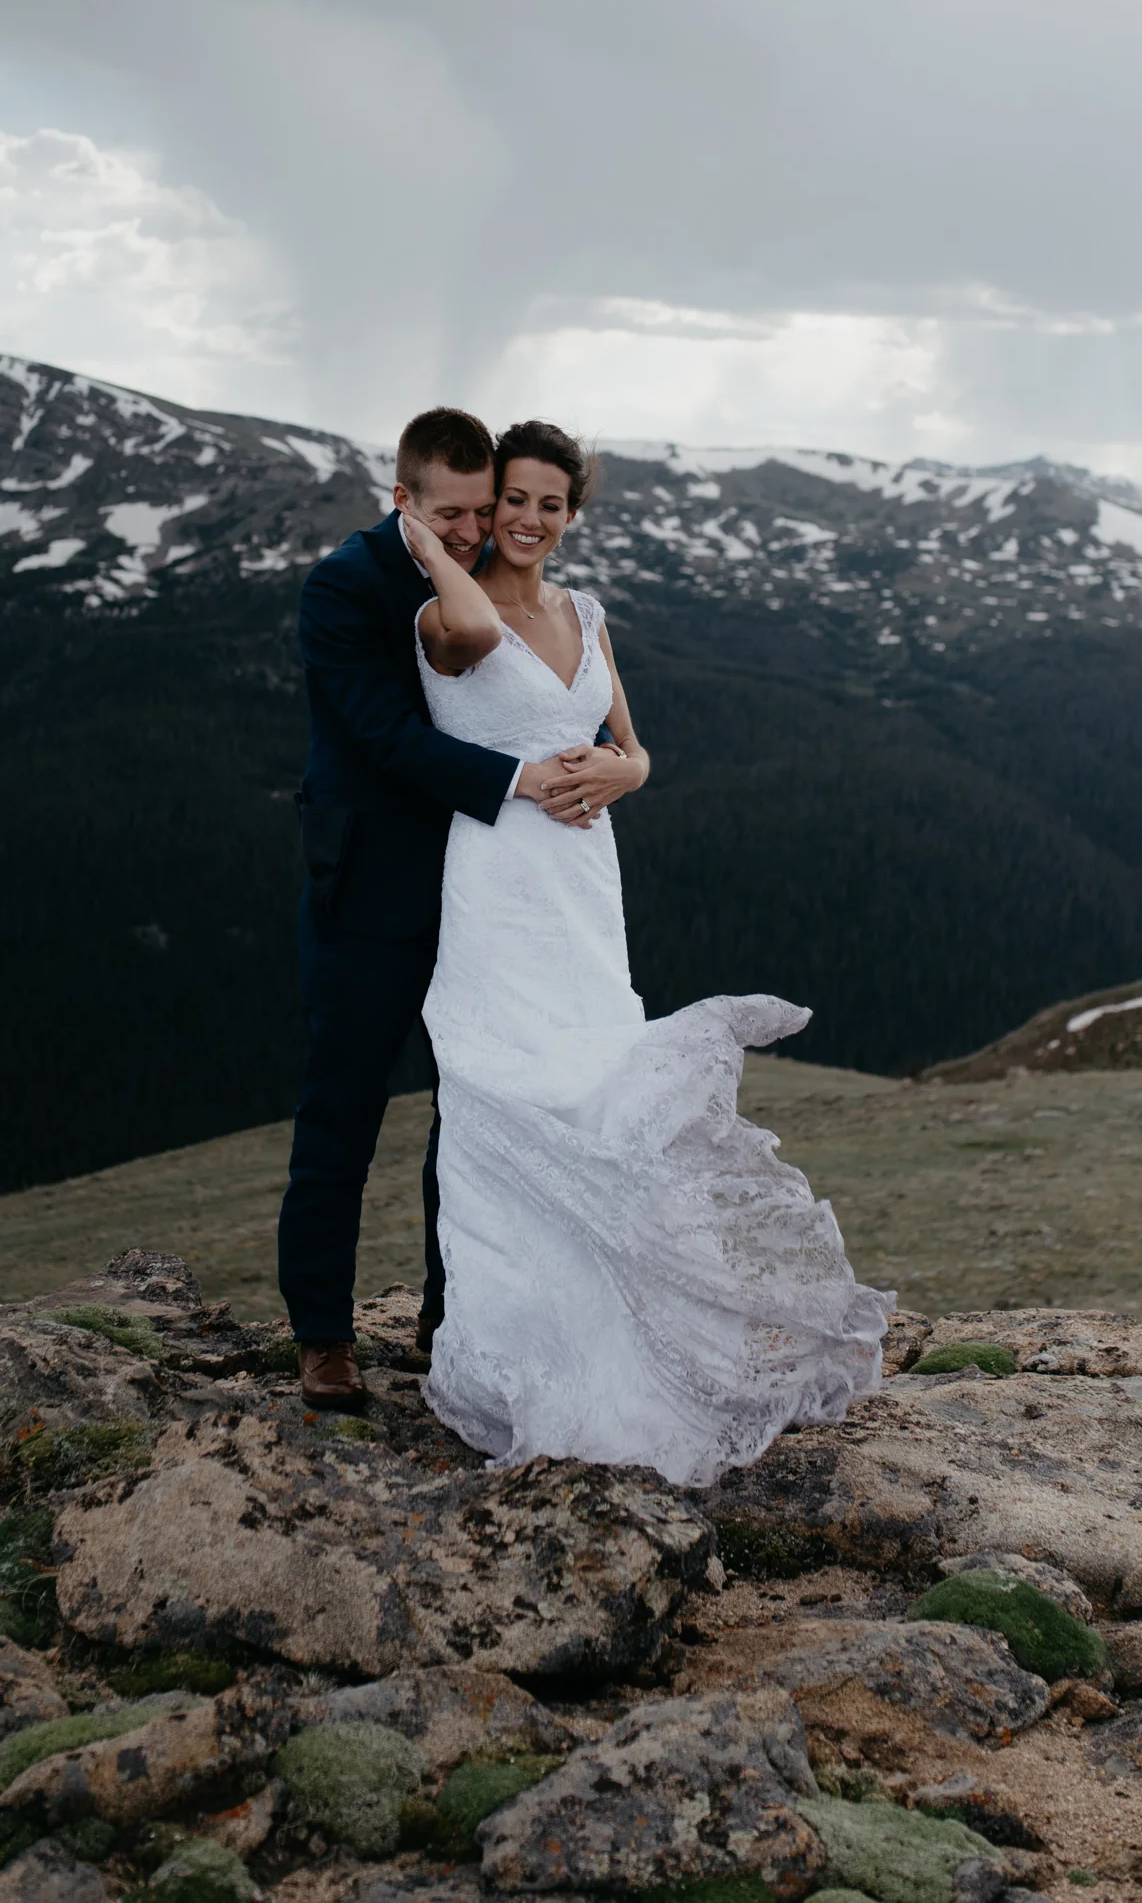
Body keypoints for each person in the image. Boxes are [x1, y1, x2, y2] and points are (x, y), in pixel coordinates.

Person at [408, 416, 890, 1488]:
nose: (529, 521)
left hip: (583, 885)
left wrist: (629, 773)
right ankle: (516, 1349)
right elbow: (480, 634)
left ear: (572, 512)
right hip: (496, 879)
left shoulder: (587, 612)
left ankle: (623, 1320)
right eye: (511, 502)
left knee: (598, 1082)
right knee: (511, 1087)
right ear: (483, 510)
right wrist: (431, 541)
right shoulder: (449, 611)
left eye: (548, 504)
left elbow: (631, 742)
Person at [279, 406, 626, 1411]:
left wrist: (610, 763)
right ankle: (323, 1336)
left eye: (486, 511)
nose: (475, 530)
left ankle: (451, 1317)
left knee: (470, 1111)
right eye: (453, 514)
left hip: (487, 892)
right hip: (371, 889)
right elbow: (386, 739)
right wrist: (526, 780)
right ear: (403, 500)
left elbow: (583, 709)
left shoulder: (498, 580)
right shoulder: (345, 586)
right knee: (341, 1109)